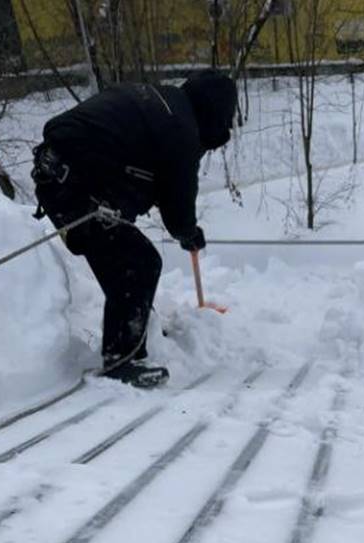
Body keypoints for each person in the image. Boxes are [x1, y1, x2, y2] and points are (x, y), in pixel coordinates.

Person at [32, 69, 237, 388]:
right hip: (74, 189)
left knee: (124, 260)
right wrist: (188, 232)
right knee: (139, 263)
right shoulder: (180, 128)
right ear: (214, 114)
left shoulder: (163, 102)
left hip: (57, 178)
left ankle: (138, 329)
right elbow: (178, 202)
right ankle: (121, 359)